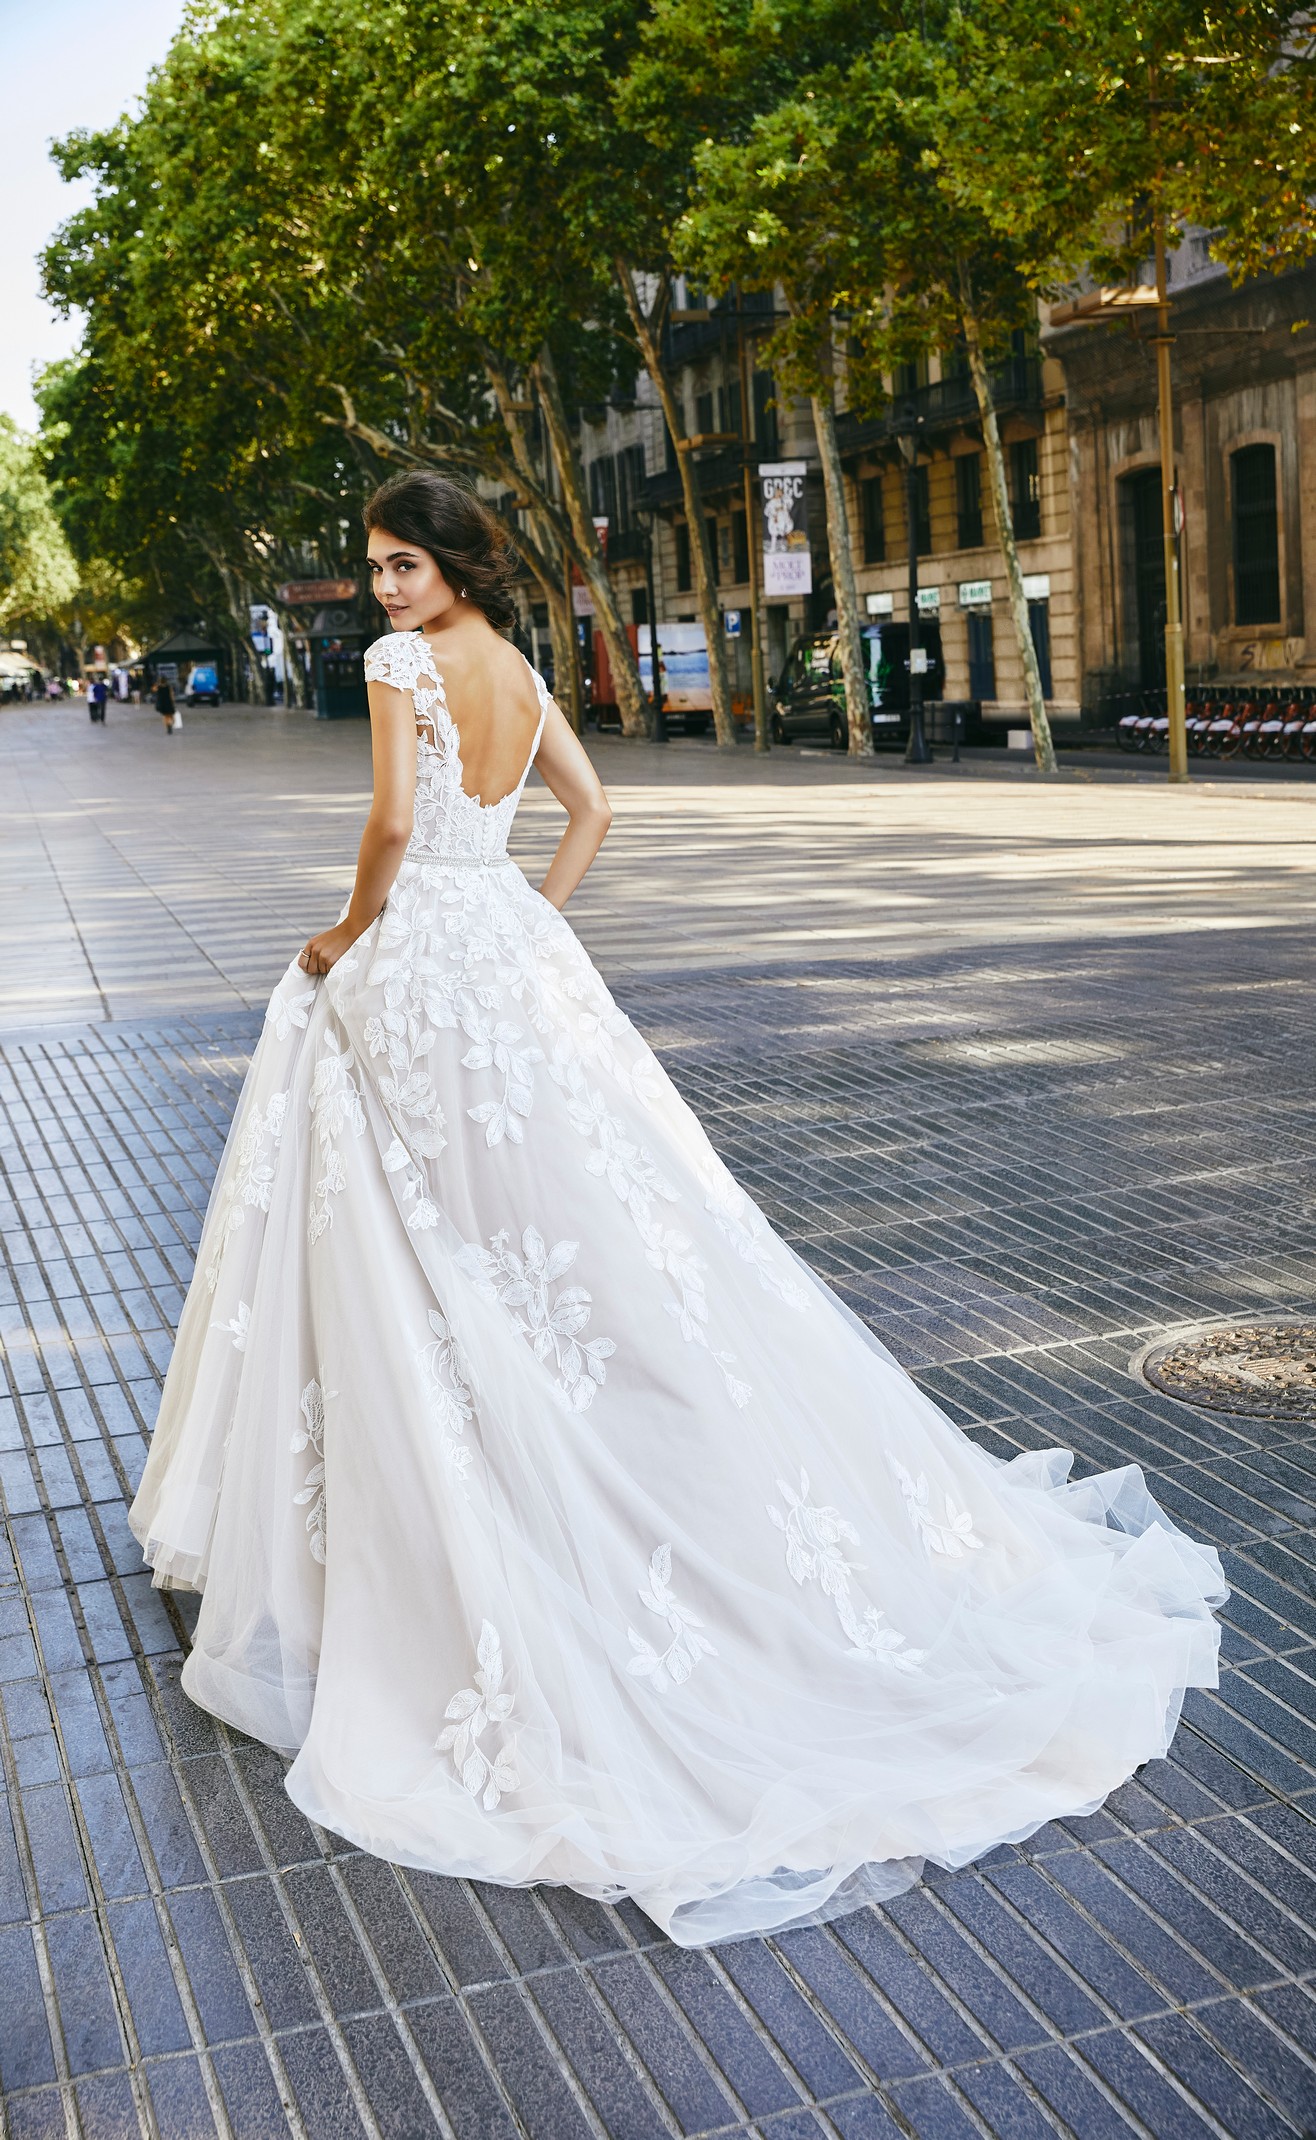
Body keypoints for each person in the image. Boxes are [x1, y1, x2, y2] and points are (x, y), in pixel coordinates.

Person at [130, 471, 1225, 1948]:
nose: (385, 591)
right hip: (512, 963)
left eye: (402, 564)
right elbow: (587, 807)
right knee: (577, 1249)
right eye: (375, 570)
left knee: (423, 1247)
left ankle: (450, 1523)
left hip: (412, 970)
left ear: (449, 562)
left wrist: (344, 933)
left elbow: (392, 825)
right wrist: (529, 916)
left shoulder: (404, 667)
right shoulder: (515, 664)